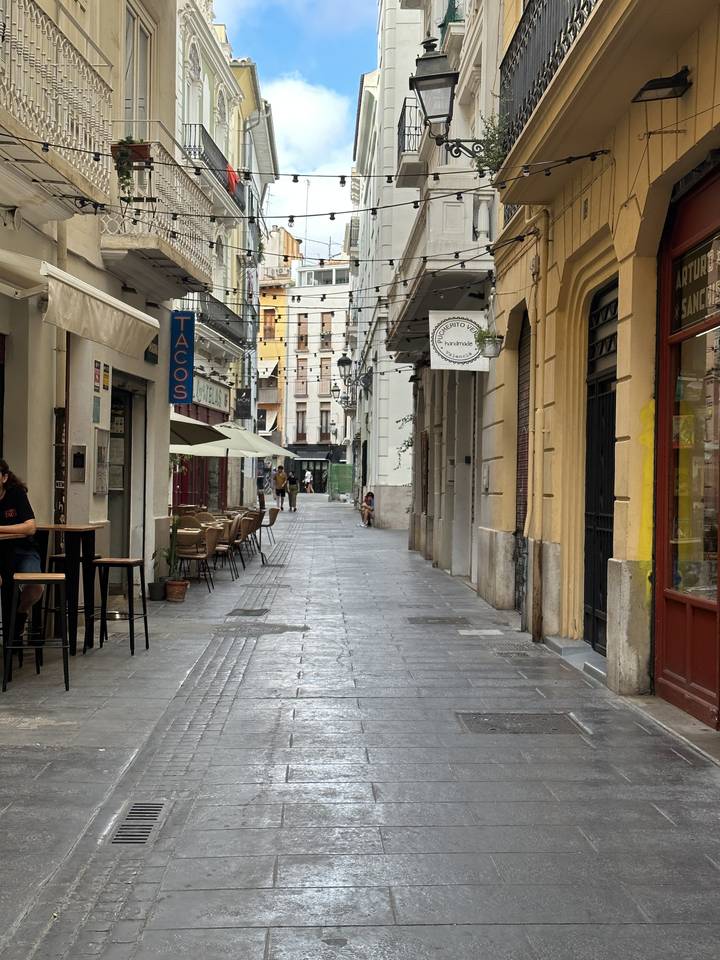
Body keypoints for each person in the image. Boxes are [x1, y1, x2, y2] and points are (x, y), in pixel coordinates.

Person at [0, 459, 44, 644]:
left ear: (4, 477)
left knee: (36, 585)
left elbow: (30, 527)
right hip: (1, 554)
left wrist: (1, 528)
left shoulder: (16, 494)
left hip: (24, 550)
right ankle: (10, 635)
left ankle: (21, 613)